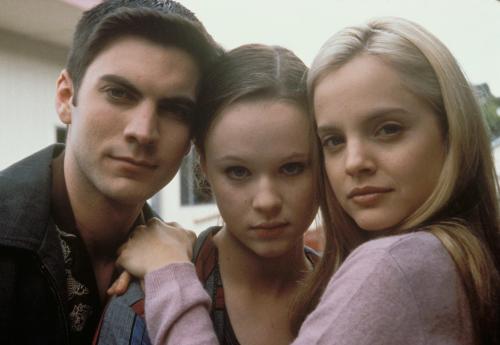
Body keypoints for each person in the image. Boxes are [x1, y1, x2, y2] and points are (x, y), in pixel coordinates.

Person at [116, 16, 500, 345]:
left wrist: (170, 277)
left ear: (453, 132)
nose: (355, 162)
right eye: (335, 140)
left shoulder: (386, 267)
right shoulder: (136, 303)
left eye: (292, 167)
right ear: (203, 165)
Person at [0, 1, 220, 344]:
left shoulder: (186, 267)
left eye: (175, 109)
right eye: (119, 93)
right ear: (65, 96)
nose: (143, 131)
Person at [104, 43, 321, 345]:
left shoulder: (358, 292)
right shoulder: (144, 304)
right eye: (238, 172)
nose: (267, 201)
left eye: (292, 168)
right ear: (204, 164)